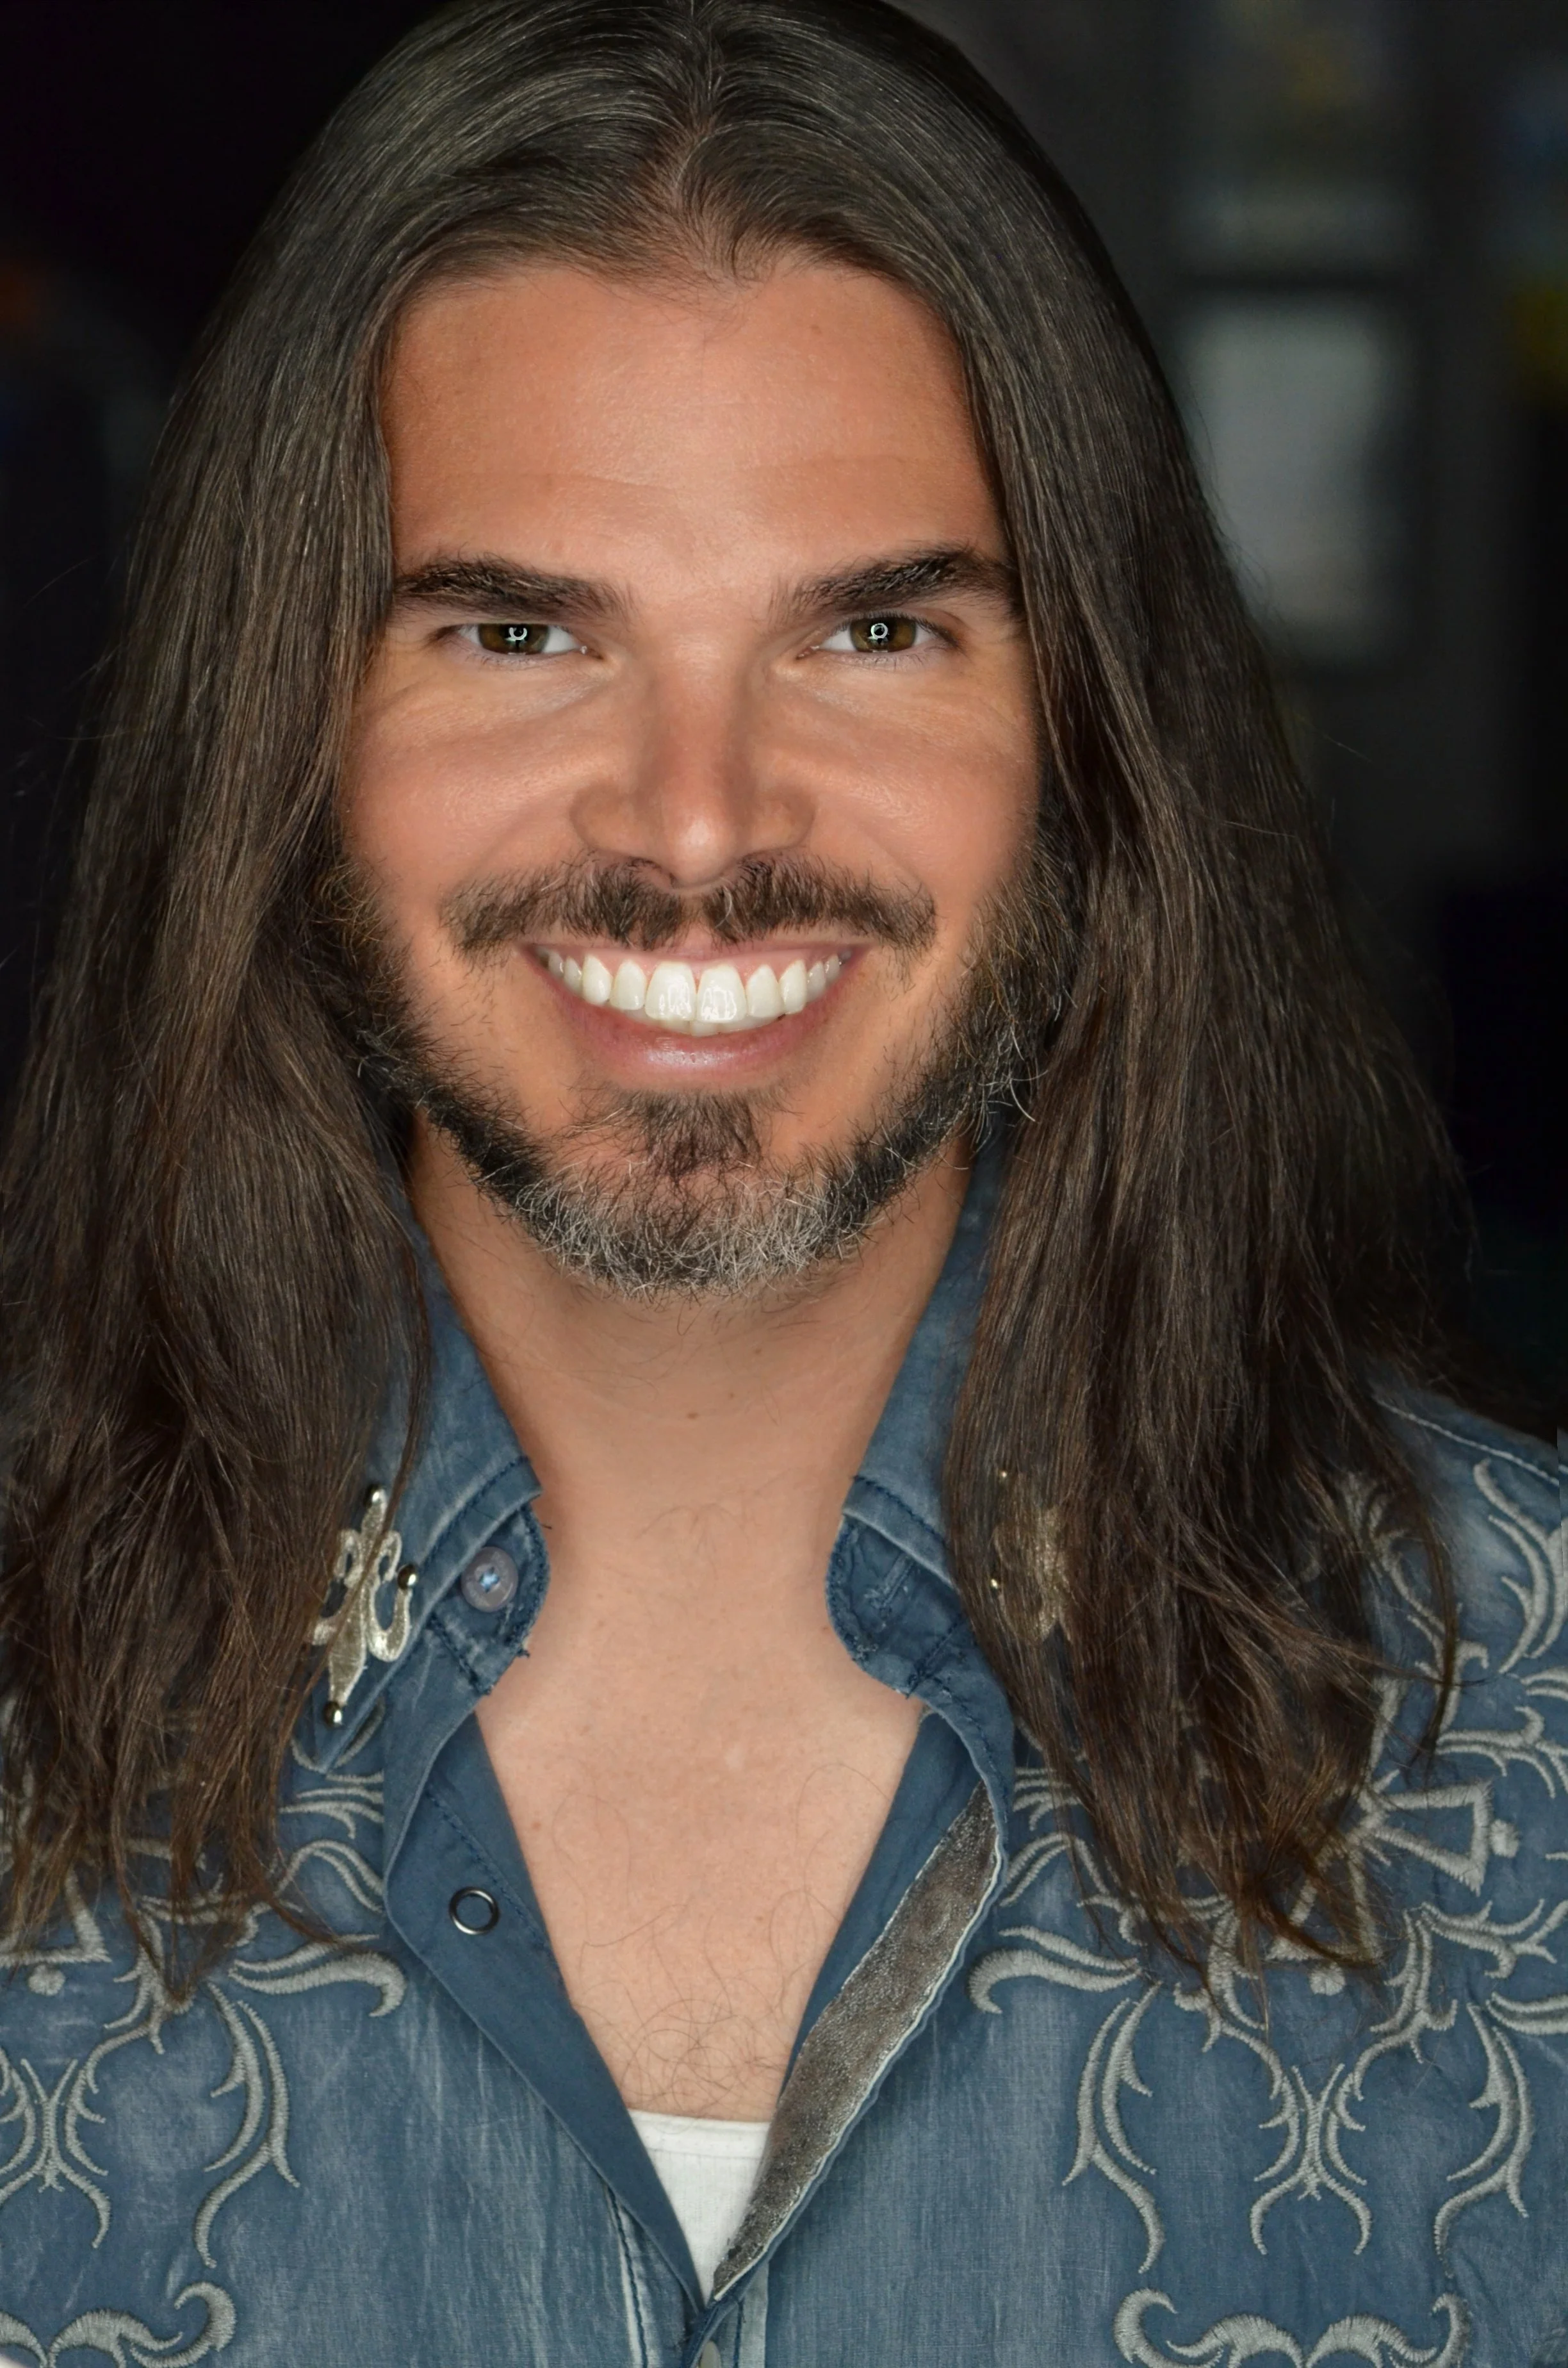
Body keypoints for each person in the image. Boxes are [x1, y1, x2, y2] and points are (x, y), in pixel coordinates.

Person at [0, 1, 1562, 2360]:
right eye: (521, 633)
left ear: (1085, 732)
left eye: (872, 630)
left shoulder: (1532, 1729)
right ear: (289, 728)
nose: (701, 822)